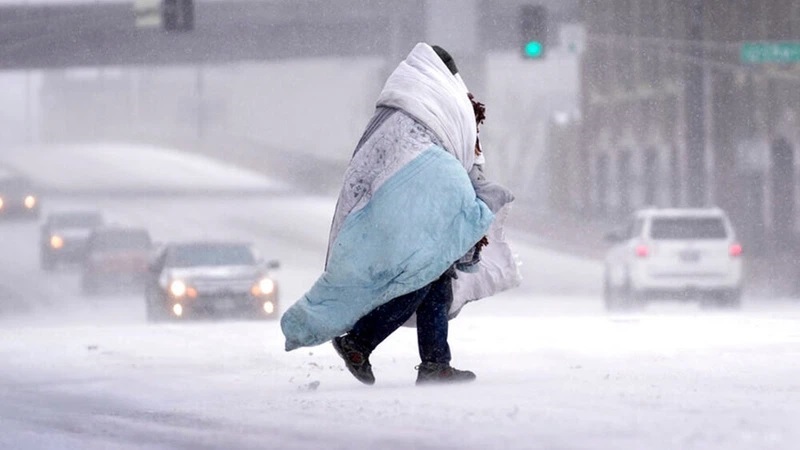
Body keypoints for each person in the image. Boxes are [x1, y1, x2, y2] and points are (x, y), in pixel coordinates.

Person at [280, 43, 517, 385]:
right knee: (421, 275)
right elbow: (450, 156)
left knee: (435, 277)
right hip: (410, 205)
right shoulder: (440, 103)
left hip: (392, 205)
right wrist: (469, 202)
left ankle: (435, 362)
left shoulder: (399, 108)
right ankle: (360, 342)